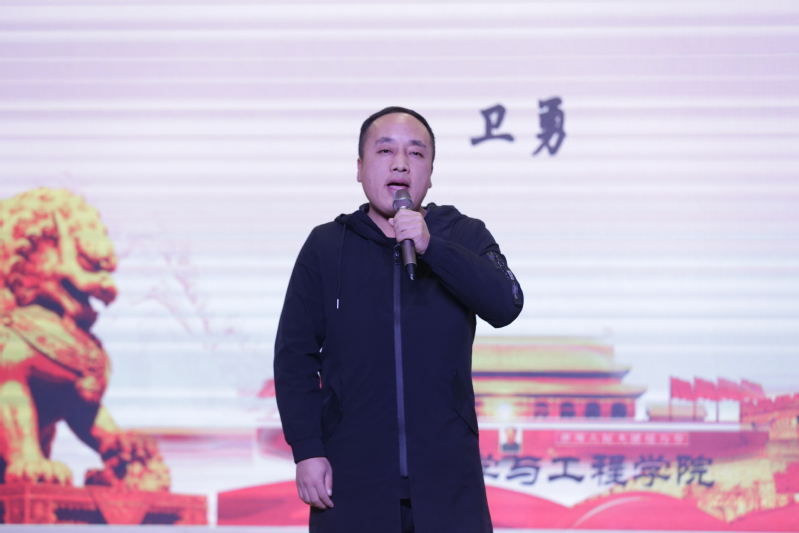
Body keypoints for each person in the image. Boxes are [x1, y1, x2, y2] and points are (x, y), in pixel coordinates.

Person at [274, 106, 523, 532]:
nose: (401, 164)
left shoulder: (464, 234)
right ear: (359, 168)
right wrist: (307, 448)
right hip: (351, 480)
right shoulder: (327, 246)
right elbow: (295, 355)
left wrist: (433, 248)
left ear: (431, 172)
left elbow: (506, 304)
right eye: (385, 150)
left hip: (449, 482)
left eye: (416, 153)